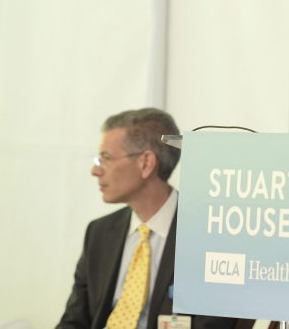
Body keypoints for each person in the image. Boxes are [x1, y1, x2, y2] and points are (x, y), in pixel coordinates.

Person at [57, 108, 245, 329]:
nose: (95, 171)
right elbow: (73, 322)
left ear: (146, 163)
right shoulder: (99, 233)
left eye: (105, 159)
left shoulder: (210, 234)